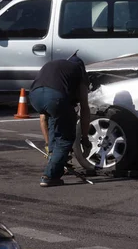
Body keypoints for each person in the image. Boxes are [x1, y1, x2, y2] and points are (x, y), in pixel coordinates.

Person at [29, 55, 92, 187]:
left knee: (55, 118)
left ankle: (55, 158)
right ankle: (49, 175)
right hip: (55, 98)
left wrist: (48, 144)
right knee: (65, 138)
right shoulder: (78, 70)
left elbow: (43, 118)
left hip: (35, 96)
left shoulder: (54, 66)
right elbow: (84, 107)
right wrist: (85, 138)